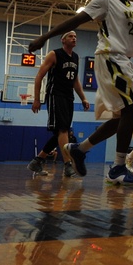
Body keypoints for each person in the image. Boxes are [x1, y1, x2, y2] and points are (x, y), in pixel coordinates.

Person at [28, 0, 133, 186]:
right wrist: (44, 37)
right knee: (131, 108)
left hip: (125, 61)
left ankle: (80, 149)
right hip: (110, 57)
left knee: (119, 118)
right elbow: (76, 20)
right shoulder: (105, 0)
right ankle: (118, 167)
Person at [27, 31, 91, 178]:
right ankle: (68, 164)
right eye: (70, 36)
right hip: (55, 95)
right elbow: (39, 76)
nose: (74, 38)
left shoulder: (75, 57)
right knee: (62, 130)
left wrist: (83, 98)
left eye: (75, 36)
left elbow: (75, 81)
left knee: (62, 133)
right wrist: (37, 99)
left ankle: (38, 160)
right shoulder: (54, 54)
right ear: (63, 40)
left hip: (69, 96)